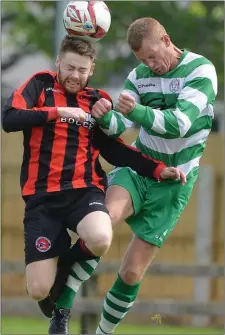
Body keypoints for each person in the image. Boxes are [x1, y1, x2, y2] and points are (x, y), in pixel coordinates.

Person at [44, 17, 217, 334]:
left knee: (132, 272)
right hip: (139, 167)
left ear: (166, 39)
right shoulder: (139, 76)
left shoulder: (201, 70)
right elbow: (119, 128)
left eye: (153, 56)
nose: (152, 65)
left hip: (175, 182)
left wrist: (133, 111)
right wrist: (105, 116)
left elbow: (180, 123)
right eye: (143, 60)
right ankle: (62, 313)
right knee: (101, 224)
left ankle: (103, 333)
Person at [2, 34, 184, 335]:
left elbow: (114, 148)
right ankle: (55, 281)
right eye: (70, 68)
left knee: (101, 235)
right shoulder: (39, 85)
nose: (75, 76)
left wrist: (158, 169)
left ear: (92, 69)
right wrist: (59, 113)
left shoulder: (96, 101)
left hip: (83, 192)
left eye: (82, 70)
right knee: (37, 290)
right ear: (59, 63)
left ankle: (63, 296)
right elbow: (9, 118)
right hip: (42, 201)